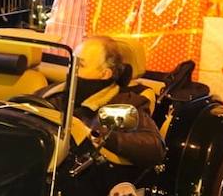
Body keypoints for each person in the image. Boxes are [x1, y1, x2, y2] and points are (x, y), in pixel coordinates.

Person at [45, 36, 165, 168]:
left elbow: (154, 147)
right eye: (71, 62)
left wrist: (98, 135)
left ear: (105, 74)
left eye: (80, 65)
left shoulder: (124, 103)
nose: (71, 70)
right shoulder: (56, 91)